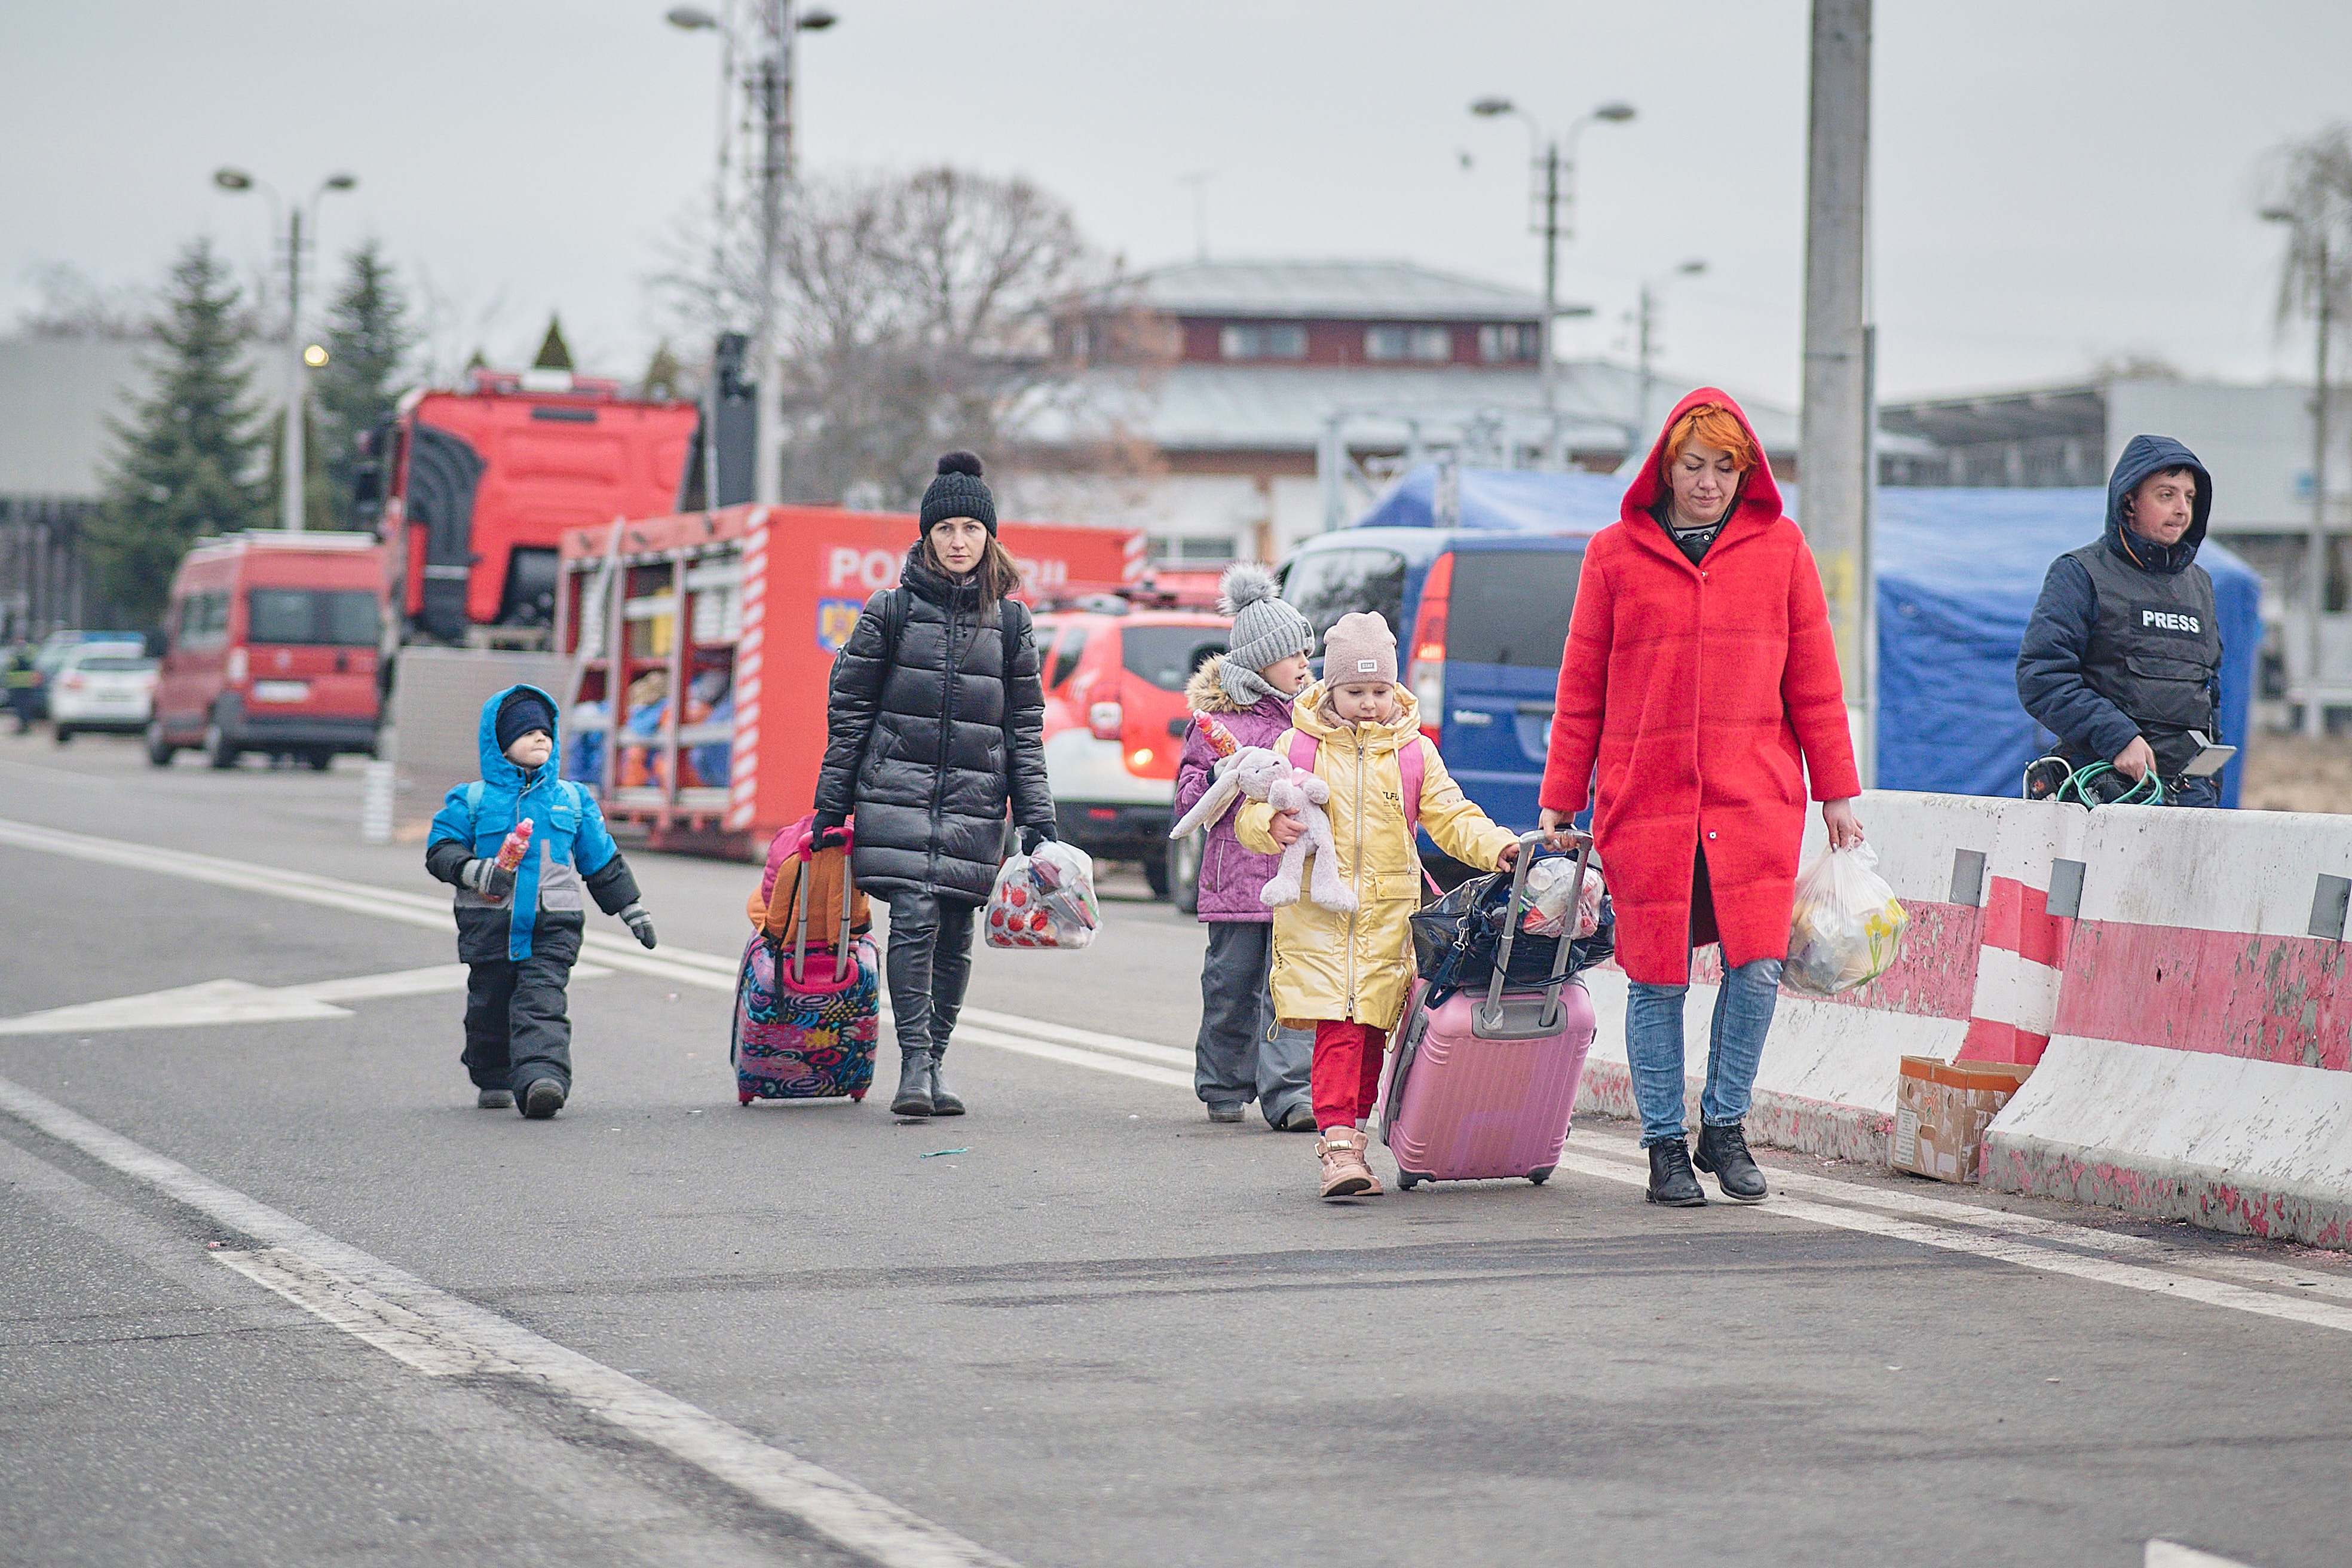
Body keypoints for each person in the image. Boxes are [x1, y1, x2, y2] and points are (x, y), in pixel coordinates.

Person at [1537, 390, 1864, 1208]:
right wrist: (1560, 798)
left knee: (1755, 970)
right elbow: (1581, 688)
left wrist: (1837, 792)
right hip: (1647, 802)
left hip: (1754, 798)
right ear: (1665, 467)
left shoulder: (1782, 549)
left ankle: (1724, 1127)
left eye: (1725, 467)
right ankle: (1662, 1147)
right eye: (1694, 466)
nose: (1709, 482)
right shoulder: (1613, 555)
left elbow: (1816, 683)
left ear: (1745, 471)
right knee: (1657, 978)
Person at [1236, 611, 1521, 1200]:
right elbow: (1245, 814)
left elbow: (1452, 814)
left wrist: (1499, 846)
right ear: (1330, 689)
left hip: (1388, 920)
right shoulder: (1300, 746)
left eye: (1379, 690)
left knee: (1369, 1033)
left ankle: (1353, 1138)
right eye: (1355, 691)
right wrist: (1271, 822)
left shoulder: (1413, 753)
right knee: (1339, 1028)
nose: (1369, 703)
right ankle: (1337, 1145)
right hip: (1319, 916)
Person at [813, 451, 1056, 1120]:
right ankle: (914, 1063)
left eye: (970, 530)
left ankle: (936, 1058)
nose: (957, 542)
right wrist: (830, 805)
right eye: (945, 529)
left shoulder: (1011, 624)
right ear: (926, 536)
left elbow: (1025, 728)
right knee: (916, 918)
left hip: (975, 804)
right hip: (896, 792)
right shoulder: (889, 611)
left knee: (954, 931)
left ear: (989, 538)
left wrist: (1037, 814)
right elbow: (850, 711)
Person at [425, 685, 658, 1119]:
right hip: (490, 925)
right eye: (525, 732)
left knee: (542, 1002)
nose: (539, 740)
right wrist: (475, 871)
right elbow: (441, 850)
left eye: (545, 732)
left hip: (553, 927)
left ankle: (541, 1079)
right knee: (489, 1008)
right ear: (498, 743)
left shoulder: (571, 800)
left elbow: (601, 859)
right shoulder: (471, 800)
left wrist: (632, 908)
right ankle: (492, 1074)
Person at [1174, 562, 1317, 1131]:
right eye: (1294, 655)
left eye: (1307, 652)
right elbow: (1187, 801)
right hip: (1236, 881)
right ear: (1260, 661)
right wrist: (1222, 779)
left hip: (1293, 880)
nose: (1305, 665)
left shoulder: (1314, 720)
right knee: (1232, 987)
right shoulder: (1217, 723)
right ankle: (1224, 1083)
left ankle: (1289, 1096)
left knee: (1289, 993)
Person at [2016, 436, 2224, 808]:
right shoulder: (2079, 574)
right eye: (2166, 495)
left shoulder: (2200, 585)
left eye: (2189, 497)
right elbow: (2041, 677)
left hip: (2193, 797)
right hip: (2107, 792)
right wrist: (2117, 738)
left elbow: (2209, 696)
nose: (2181, 509)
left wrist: (2211, 783)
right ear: (2129, 501)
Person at [4, 641, 37, 734]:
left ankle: (23, 727)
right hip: (26, 686)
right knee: (24, 708)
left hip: (19, 687)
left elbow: (11, 668)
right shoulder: (28, 656)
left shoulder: (15, 658)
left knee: (21, 708)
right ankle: (24, 726)